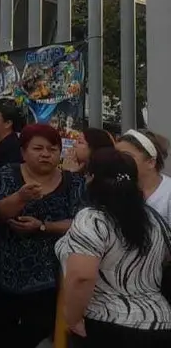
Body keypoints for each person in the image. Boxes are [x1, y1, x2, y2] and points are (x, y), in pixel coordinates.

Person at [0, 122, 84, 348]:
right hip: (2, 270)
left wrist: (43, 226)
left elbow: (80, 224)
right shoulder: (7, 173)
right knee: (3, 333)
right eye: (38, 149)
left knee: (37, 329)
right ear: (23, 152)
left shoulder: (74, 182)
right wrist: (19, 198)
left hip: (49, 276)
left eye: (52, 149)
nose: (46, 154)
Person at [56, 147, 171, 344]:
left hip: (107, 323)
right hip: (158, 324)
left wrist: (72, 317)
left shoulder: (92, 219)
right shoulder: (154, 220)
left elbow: (82, 276)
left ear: (91, 178)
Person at [115, 129, 171, 222]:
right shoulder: (115, 187)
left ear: (151, 162)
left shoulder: (168, 193)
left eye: (126, 156)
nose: (117, 160)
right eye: (116, 155)